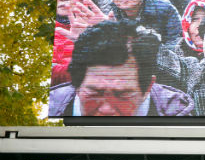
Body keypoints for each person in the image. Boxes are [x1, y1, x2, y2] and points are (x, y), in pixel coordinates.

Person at [49, 20, 194, 117]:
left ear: (148, 86)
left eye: (122, 94)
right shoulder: (48, 109)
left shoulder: (177, 114)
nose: (106, 110)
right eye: (95, 92)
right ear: (76, 84)